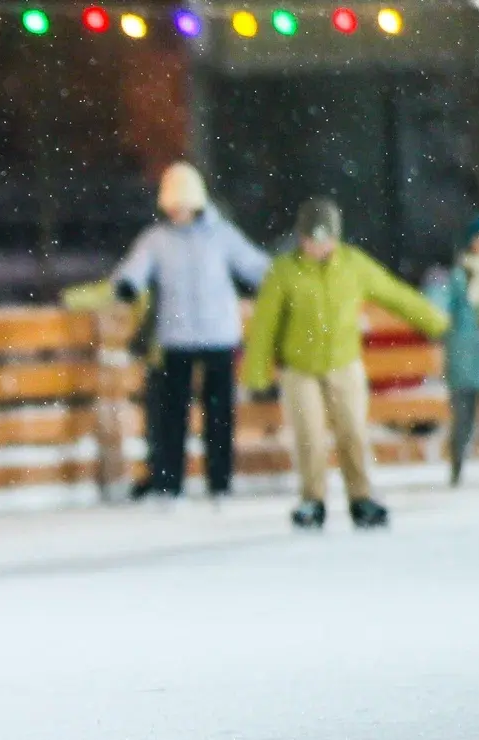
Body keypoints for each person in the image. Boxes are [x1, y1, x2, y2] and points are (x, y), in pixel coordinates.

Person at [242, 198, 450, 529]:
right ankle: (312, 500)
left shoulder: (353, 266)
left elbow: (395, 294)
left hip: (343, 364)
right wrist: (256, 374)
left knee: (352, 430)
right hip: (300, 369)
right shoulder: (285, 271)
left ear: (336, 238)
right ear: (301, 238)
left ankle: (361, 497)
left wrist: (438, 323)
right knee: (309, 434)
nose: (317, 246)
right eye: (311, 239)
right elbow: (265, 325)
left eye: (325, 239)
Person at [111, 162, 271, 504]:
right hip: (176, 338)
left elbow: (254, 265)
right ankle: (169, 484)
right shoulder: (156, 240)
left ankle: (220, 483)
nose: (178, 211)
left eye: (183, 204)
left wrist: (275, 280)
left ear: (196, 202)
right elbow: (134, 268)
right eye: (172, 205)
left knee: (219, 415)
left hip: (219, 336)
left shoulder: (221, 235)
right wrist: (127, 285)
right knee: (171, 415)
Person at [425, 217, 479, 493]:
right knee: (463, 419)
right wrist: (434, 291)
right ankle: (457, 465)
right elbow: (438, 306)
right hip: (464, 357)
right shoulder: (459, 275)